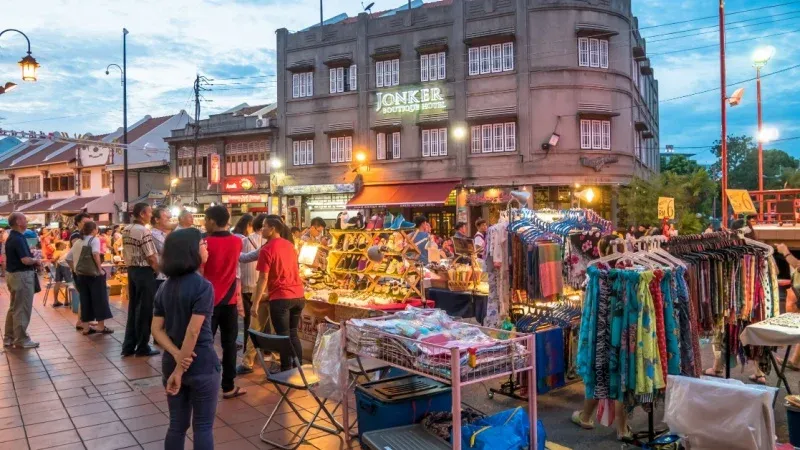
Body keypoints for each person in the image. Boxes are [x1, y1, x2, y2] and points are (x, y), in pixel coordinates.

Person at [151, 228, 219, 450]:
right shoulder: (203, 287)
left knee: (177, 426)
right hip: (200, 363)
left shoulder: (164, 288)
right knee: (203, 426)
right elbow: (193, 331)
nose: (206, 247)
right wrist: (180, 368)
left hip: (171, 362)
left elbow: (157, 330)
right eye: (202, 244)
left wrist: (176, 355)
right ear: (191, 251)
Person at [202, 205, 247, 399]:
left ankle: (204, 383)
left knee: (204, 342)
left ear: (212, 221)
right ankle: (228, 386)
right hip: (229, 301)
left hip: (207, 300)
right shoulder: (237, 242)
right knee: (229, 344)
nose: (204, 223)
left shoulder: (204, 242)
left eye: (205, 219)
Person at [251, 216, 304, 371]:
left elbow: (263, 279)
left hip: (281, 298)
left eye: (264, 226)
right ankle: (298, 367)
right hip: (299, 296)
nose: (262, 229)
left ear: (272, 228)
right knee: (293, 334)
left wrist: (255, 304)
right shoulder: (290, 246)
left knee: (283, 335)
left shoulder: (267, 249)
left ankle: (286, 369)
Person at [121, 203, 161, 357]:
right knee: (145, 310)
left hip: (132, 270)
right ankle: (143, 346)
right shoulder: (143, 231)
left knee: (133, 308)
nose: (151, 215)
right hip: (144, 271)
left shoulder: (126, 229)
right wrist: (157, 270)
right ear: (143, 214)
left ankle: (129, 345)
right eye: (150, 212)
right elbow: (151, 256)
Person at [237, 214, 271, 375]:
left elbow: (241, 259)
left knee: (250, 324)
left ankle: (248, 356)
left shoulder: (244, 241)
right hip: (265, 289)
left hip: (249, 286)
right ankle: (267, 352)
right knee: (265, 324)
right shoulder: (273, 243)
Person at [3, 212, 41, 348]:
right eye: (24, 219)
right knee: (22, 308)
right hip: (22, 277)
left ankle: (9, 337)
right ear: (19, 222)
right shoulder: (18, 238)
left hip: (13, 275)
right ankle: (21, 339)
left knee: (14, 307)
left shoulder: (12, 237)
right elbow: (25, 260)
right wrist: (36, 260)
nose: (26, 221)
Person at [68, 221, 113, 335]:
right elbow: (95, 254)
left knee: (85, 300)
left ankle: (86, 328)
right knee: (100, 299)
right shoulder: (94, 240)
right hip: (94, 276)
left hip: (81, 276)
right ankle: (101, 326)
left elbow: (68, 258)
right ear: (93, 230)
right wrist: (99, 269)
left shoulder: (78, 241)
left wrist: (75, 269)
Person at [151, 207, 172, 291]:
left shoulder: (165, 234)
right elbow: (168, 250)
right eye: (166, 217)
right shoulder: (153, 234)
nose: (169, 219)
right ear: (157, 220)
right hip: (160, 276)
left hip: (167, 275)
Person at [50, 241, 72, 307]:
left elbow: (53, 261)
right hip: (65, 266)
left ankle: (56, 300)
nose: (65, 246)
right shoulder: (60, 252)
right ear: (59, 246)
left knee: (58, 282)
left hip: (58, 267)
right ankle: (66, 301)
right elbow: (53, 260)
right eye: (63, 245)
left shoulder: (55, 252)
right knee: (69, 282)